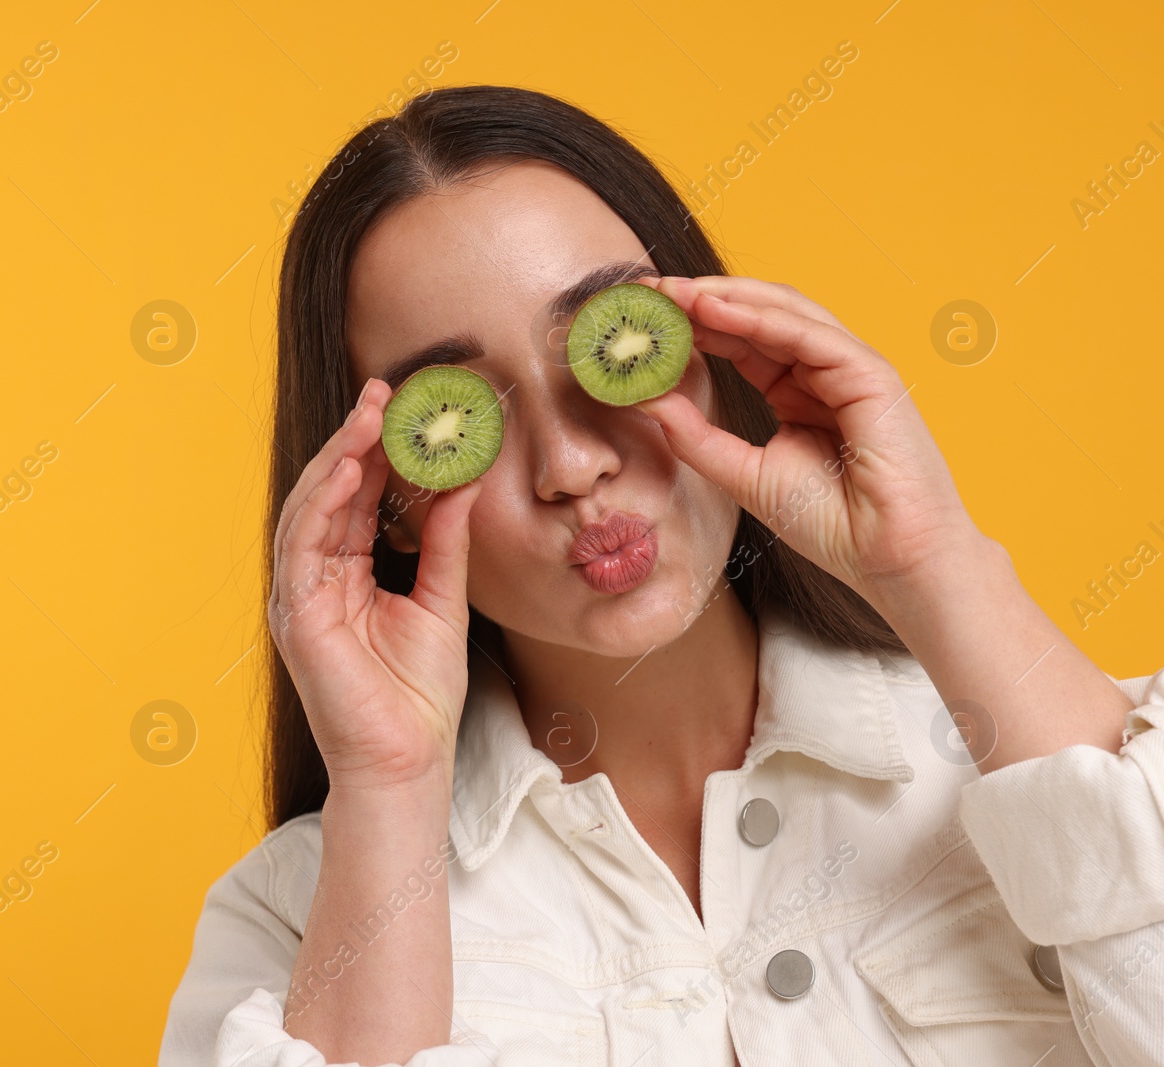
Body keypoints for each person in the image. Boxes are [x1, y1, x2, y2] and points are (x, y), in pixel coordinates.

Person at [158, 84, 1164, 1065]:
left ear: (719, 348)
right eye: (462, 417)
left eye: (608, 350)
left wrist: (939, 567)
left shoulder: (1042, 763)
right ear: (387, 495)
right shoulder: (291, 924)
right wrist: (387, 781)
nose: (571, 465)